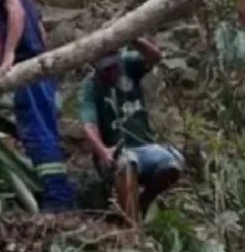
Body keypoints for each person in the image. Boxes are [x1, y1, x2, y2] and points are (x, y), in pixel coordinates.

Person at [0, 0, 77, 213]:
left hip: (27, 69)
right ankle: (62, 194)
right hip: (40, 69)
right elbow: (41, 31)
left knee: (37, 133)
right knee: (45, 131)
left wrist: (9, 55)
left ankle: (57, 202)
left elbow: (16, 13)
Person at [77, 38, 183, 224]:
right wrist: (103, 151)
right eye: (106, 70)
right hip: (117, 151)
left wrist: (133, 37)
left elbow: (156, 57)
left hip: (145, 146)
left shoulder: (129, 64)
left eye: (114, 67)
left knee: (172, 165)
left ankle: (145, 200)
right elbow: (89, 126)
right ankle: (131, 225)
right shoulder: (90, 87)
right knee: (127, 164)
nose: (112, 73)